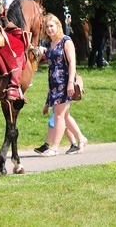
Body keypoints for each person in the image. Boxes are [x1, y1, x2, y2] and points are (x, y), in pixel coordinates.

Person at [35, 14, 82, 157]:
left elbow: (72, 62)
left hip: (64, 82)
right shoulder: (49, 44)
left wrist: (70, 83)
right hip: (53, 83)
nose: (49, 29)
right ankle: (81, 139)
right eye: (47, 27)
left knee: (59, 115)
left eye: (52, 26)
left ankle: (54, 148)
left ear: (58, 26)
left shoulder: (65, 41)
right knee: (65, 115)